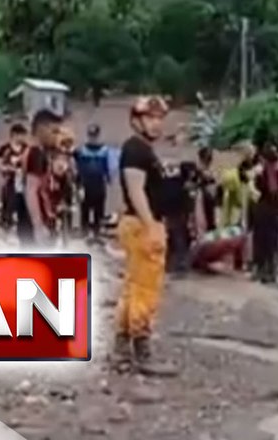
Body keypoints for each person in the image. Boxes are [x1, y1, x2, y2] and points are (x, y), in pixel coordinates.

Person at [114, 95, 178, 376]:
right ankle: (141, 350)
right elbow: (136, 189)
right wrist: (151, 224)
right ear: (137, 121)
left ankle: (122, 348)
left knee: (133, 286)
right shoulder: (136, 150)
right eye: (150, 118)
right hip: (143, 225)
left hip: (140, 223)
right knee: (145, 288)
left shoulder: (141, 149)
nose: (156, 124)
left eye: (158, 118)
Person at [249, 144, 278, 284]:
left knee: (263, 242)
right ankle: (268, 271)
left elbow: (255, 194)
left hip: (265, 212)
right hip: (271, 213)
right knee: (270, 243)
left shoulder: (264, 174)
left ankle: (264, 271)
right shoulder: (276, 173)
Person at [22, 109, 63, 246]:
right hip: (37, 225)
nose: (57, 137)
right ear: (42, 130)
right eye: (54, 132)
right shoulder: (35, 154)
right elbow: (31, 190)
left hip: (46, 219)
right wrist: (38, 227)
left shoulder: (43, 153)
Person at [74, 124, 114, 241]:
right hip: (86, 182)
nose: (93, 138)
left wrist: (108, 177)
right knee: (85, 207)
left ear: (98, 135)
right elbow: (78, 167)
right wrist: (77, 181)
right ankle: (84, 230)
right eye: (91, 135)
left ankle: (97, 230)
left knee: (98, 207)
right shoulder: (81, 150)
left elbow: (106, 165)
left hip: (99, 182)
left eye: (95, 135)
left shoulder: (104, 150)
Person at [0, 124, 30, 229]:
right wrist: (9, 169)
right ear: (14, 135)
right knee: (9, 200)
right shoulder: (5, 149)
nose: (23, 138)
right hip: (10, 180)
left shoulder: (26, 148)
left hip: (24, 180)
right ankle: (6, 220)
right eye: (21, 135)